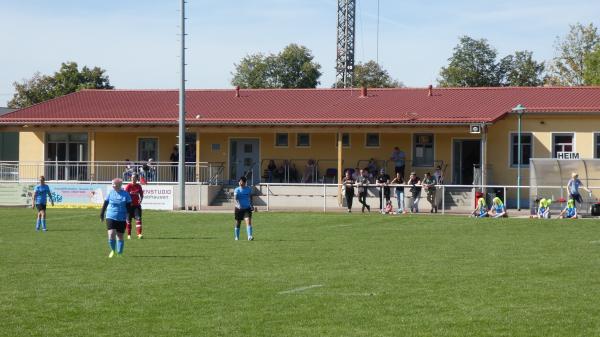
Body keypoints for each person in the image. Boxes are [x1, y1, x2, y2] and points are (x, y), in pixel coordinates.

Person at [100, 178, 132, 258]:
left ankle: (120, 253)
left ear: (119, 185)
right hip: (110, 216)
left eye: (114, 184)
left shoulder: (126, 194)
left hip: (122, 217)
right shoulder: (110, 193)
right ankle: (113, 250)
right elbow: (105, 204)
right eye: (112, 184)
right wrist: (102, 214)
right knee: (111, 234)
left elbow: (129, 208)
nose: (113, 185)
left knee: (120, 236)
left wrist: (128, 217)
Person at [234, 176, 254, 241]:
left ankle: (249, 236)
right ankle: (236, 237)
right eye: (239, 182)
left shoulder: (248, 189)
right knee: (238, 223)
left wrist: (251, 205)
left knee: (248, 221)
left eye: (241, 182)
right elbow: (235, 198)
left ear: (245, 182)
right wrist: (238, 204)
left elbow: (250, 197)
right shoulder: (236, 189)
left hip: (247, 208)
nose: (240, 183)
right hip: (238, 208)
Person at [125, 173, 144, 239]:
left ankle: (139, 234)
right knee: (128, 220)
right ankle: (129, 235)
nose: (133, 179)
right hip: (129, 207)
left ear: (136, 179)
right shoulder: (128, 186)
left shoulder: (139, 186)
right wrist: (128, 203)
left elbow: (141, 194)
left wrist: (141, 200)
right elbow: (125, 196)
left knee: (138, 219)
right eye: (132, 178)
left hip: (136, 206)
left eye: (134, 178)